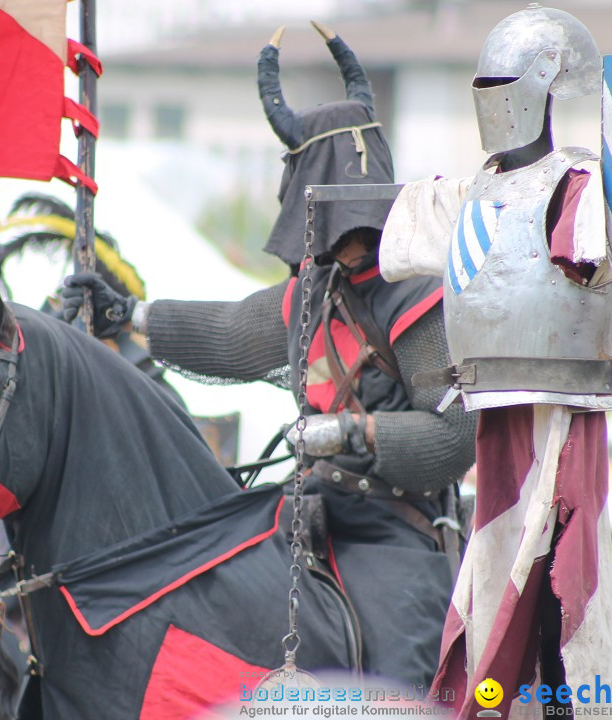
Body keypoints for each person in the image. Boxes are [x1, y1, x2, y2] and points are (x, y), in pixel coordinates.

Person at [62, 24, 476, 689]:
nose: (352, 238)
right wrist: (129, 314)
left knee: (405, 686)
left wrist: (349, 430)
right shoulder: (308, 297)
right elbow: (229, 332)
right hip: (301, 509)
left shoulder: (418, 298)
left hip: (392, 532)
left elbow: (455, 438)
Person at [381, 6, 612, 715]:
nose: (494, 98)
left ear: (546, 85)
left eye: (505, 82)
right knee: (494, 570)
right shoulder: (470, 192)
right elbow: (388, 227)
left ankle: (567, 702)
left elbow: (607, 245)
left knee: (557, 568)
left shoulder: (581, 184)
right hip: (490, 409)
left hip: (562, 406)